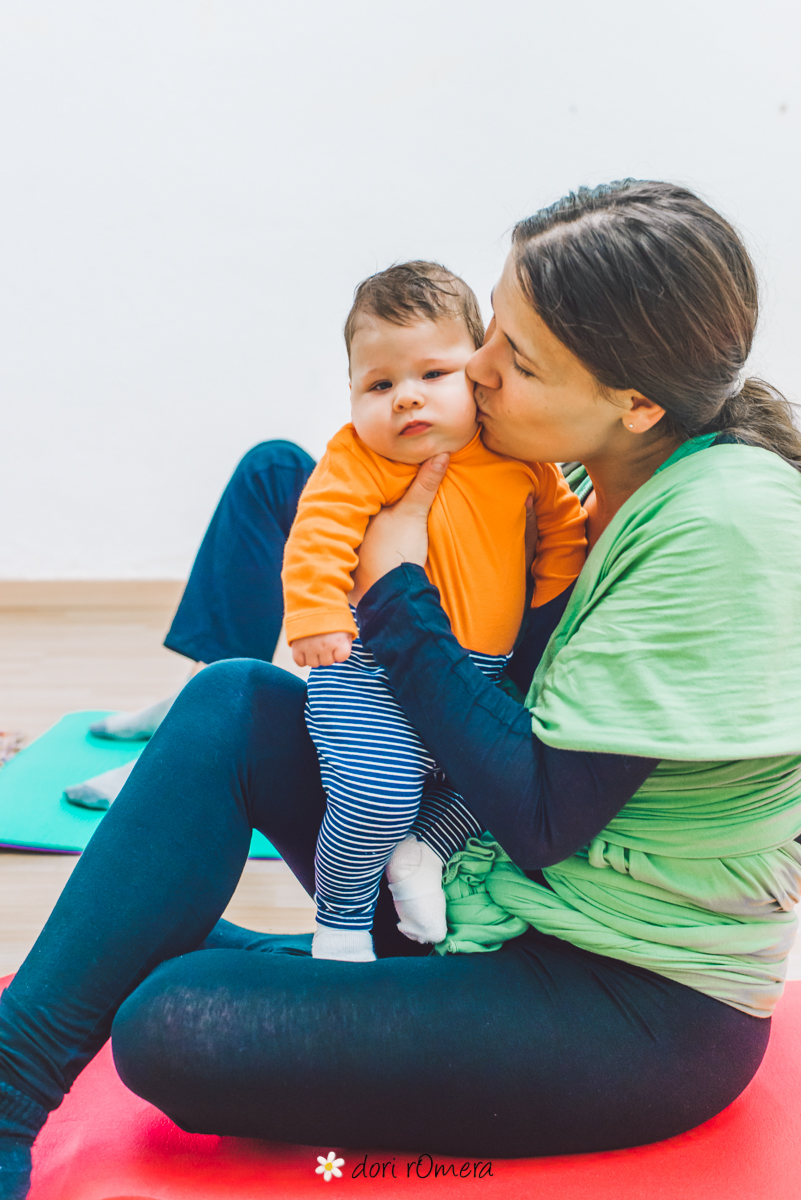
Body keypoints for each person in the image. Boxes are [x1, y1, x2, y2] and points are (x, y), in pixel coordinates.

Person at [2, 180, 801, 1200]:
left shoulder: (720, 526)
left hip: (626, 1000)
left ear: (634, 401)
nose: (477, 369)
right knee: (237, 701)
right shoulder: (599, 469)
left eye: (515, 358)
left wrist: (395, 588)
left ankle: (157, 937)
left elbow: (542, 816)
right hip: (484, 894)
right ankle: (7, 1079)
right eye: (493, 333)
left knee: (171, 1021)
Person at [283, 261, 585, 961]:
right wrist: (315, 614)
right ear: (352, 392)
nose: (406, 400)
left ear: (476, 376)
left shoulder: (517, 455)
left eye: (433, 376)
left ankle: (420, 851)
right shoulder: (357, 457)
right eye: (379, 384)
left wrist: (555, 607)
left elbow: (563, 529)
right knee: (377, 796)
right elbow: (318, 534)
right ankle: (343, 920)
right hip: (373, 675)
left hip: (478, 675)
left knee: (510, 784)